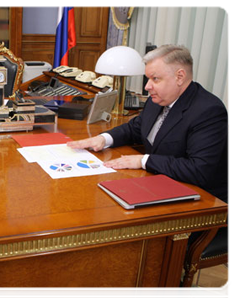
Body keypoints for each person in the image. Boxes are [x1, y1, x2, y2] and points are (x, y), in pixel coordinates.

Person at [67, 44, 230, 201]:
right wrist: (104, 139)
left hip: (200, 198)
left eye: (155, 79)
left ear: (179, 77)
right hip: (158, 182)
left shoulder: (208, 111)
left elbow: (198, 169)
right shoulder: (157, 99)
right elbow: (136, 128)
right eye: (148, 79)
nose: (147, 86)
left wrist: (143, 161)